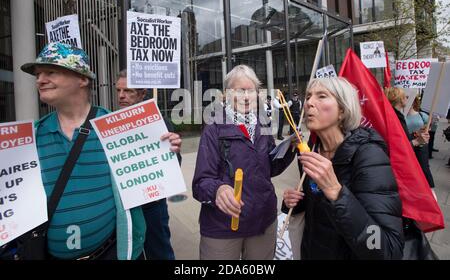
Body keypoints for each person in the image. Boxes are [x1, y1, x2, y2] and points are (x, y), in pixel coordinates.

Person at [18, 42, 181, 260]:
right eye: (37, 74)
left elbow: (152, 186)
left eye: (51, 71)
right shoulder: (27, 139)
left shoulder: (115, 129)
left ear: (83, 79)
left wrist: (165, 153)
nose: (40, 80)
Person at [282, 77, 404, 259]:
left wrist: (336, 192)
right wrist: (295, 203)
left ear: (342, 111)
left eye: (321, 96)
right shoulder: (311, 150)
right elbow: (315, 205)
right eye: (308, 97)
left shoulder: (368, 155)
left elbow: (387, 248)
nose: (308, 103)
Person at [192, 65, 297, 260]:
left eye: (251, 90)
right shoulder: (214, 127)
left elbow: (269, 168)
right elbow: (200, 183)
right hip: (223, 226)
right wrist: (218, 190)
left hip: (262, 221)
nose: (247, 96)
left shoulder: (262, 122)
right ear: (227, 94)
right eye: (240, 90)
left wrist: (289, 148)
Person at [115, 70, 181, 260]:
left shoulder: (160, 123)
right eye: (118, 90)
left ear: (142, 94)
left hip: (152, 205)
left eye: (128, 91)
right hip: (123, 207)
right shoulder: (110, 124)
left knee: (159, 252)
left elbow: (173, 167)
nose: (121, 95)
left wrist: (174, 151)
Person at [384, 88, 432, 187]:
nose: (407, 99)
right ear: (400, 99)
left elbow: (402, 138)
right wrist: (416, 141)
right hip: (400, 168)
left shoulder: (396, 115)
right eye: (405, 97)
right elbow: (397, 147)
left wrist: (415, 134)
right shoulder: (394, 118)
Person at [405, 96, 435, 188]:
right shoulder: (400, 117)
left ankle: (430, 188)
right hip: (408, 144)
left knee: (424, 168)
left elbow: (429, 127)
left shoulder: (422, 115)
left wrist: (426, 130)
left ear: (414, 102)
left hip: (421, 146)